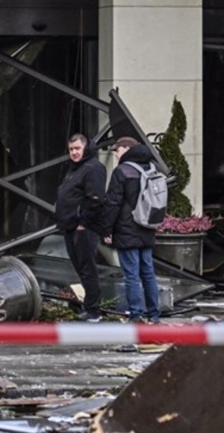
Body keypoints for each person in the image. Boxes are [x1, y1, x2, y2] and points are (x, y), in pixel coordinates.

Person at [103, 137, 165, 323]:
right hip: (146, 226)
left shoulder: (122, 171)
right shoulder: (152, 169)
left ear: (127, 149)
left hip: (126, 228)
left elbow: (113, 203)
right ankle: (154, 315)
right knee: (148, 272)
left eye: (117, 150)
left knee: (131, 274)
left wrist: (107, 230)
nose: (115, 154)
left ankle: (136, 315)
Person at [54, 133, 109, 322]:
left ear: (85, 148)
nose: (74, 153)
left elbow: (95, 199)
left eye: (77, 148)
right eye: (71, 149)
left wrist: (83, 223)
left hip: (83, 228)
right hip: (71, 226)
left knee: (87, 269)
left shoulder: (93, 168)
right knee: (81, 268)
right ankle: (89, 307)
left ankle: (93, 311)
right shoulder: (76, 168)